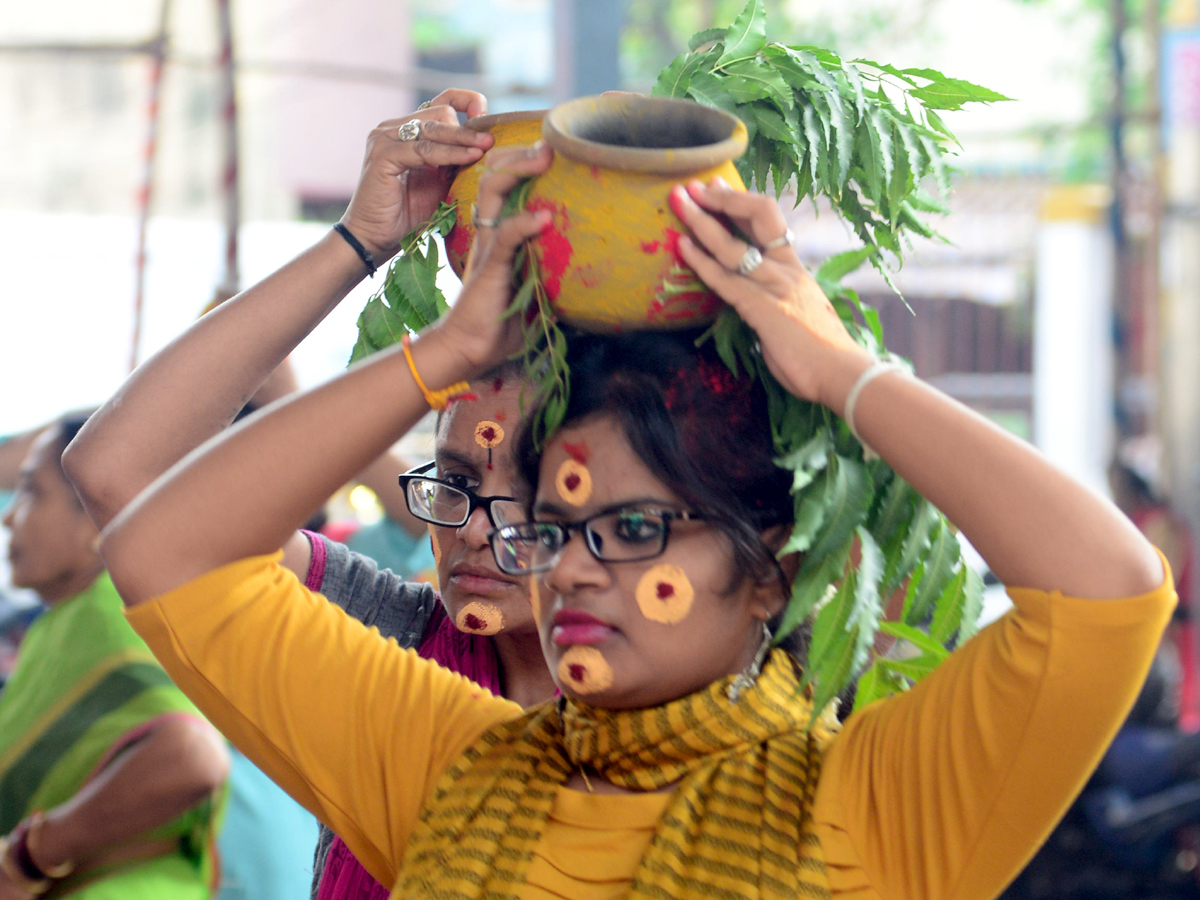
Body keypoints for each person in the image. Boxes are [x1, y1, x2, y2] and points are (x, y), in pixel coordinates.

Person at [96, 127, 1173, 900]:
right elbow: (158, 544)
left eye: (634, 530)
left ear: (771, 572)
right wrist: (448, 351)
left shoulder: (870, 807)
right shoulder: (455, 762)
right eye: (562, 531)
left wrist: (840, 372)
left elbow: (1108, 591)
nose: (566, 571)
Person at [61, 90, 559, 900]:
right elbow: (119, 472)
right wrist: (359, 242)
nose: (472, 532)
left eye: (535, 501)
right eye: (456, 484)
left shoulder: (698, 722)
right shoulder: (390, 640)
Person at [0, 412, 229, 900]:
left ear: (97, 521)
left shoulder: (117, 615)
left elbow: (193, 758)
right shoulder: (68, 620)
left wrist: (29, 854)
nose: (9, 515)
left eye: (32, 492)